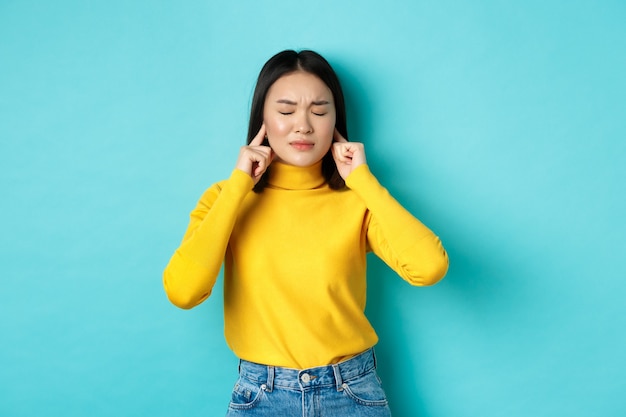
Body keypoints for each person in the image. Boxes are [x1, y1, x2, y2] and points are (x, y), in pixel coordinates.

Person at [163, 49, 449, 416]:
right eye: (285, 111)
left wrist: (362, 181)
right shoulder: (225, 199)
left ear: (336, 120)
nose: (303, 125)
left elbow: (429, 267)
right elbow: (184, 291)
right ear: (262, 118)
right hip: (261, 396)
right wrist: (238, 187)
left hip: (351, 393)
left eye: (318, 110)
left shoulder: (357, 201)